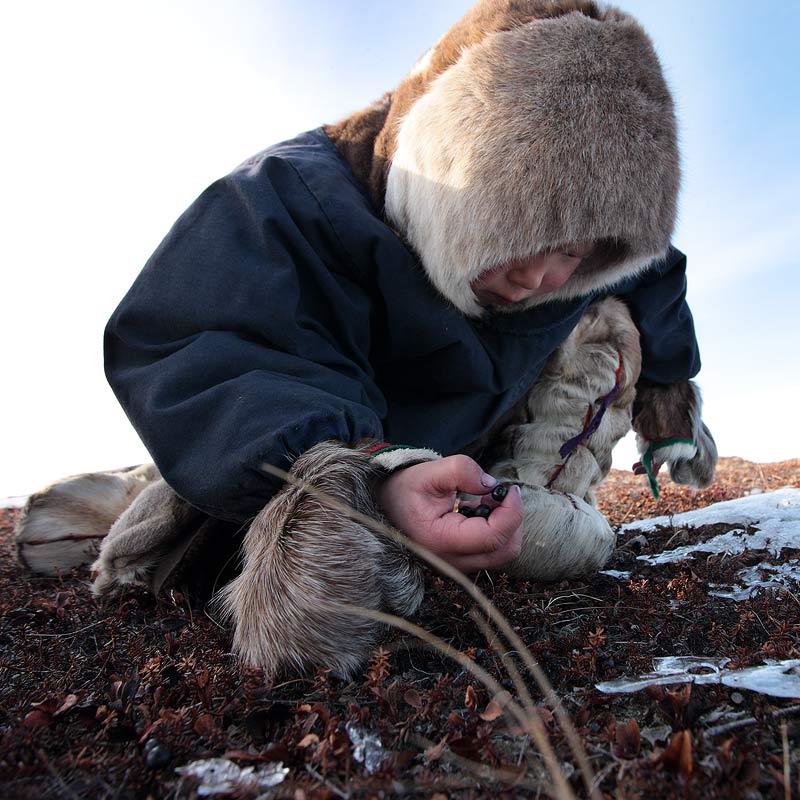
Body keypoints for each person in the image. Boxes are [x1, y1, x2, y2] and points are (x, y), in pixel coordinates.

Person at [15, 0, 717, 678]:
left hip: (476, 444)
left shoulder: (586, 268)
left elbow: (655, 273)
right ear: (454, 170)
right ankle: (157, 493)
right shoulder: (291, 199)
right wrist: (368, 475)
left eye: (573, 249)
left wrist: (670, 403)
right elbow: (214, 342)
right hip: (354, 433)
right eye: (517, 224)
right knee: (227, 511)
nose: (538, 275)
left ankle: (527, 495)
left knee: (608, 324)